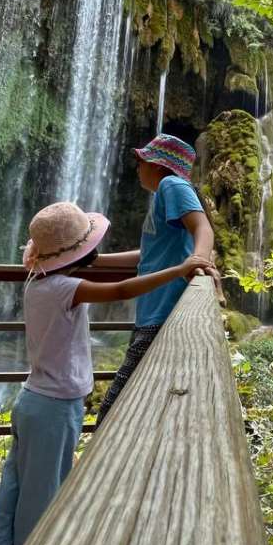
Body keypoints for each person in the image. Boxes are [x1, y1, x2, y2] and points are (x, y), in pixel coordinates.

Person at [0, 201, 214, 545]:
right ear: (76, 252)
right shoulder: (68, 288)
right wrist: (178, 270)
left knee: (12, 498)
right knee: (42, 504)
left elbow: (108, 270)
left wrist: (165, 254)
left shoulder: (37, 281)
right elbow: (119, 289)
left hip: (32, 400)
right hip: (53, 409)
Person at [92, 133, 215, 425]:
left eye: (142, 161)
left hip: (163, 312)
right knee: (137, 406)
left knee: (112, 413)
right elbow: (146, 254)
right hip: (150, 313)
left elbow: (203, 227)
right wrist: (95, 261)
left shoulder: (172, 185)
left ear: (159, 166)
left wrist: (197, 260)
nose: (138, 167)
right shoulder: (163, 195)